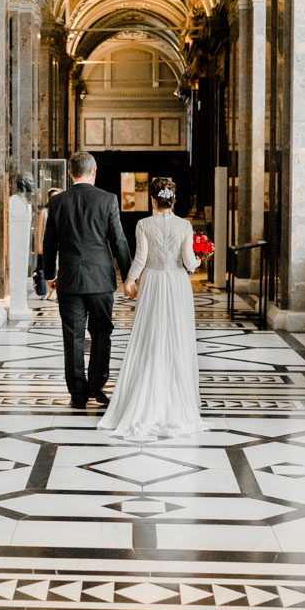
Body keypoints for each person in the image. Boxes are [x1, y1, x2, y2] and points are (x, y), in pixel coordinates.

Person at [98, 177, 209, 438]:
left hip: (153, 282)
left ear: (152, 199)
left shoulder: (143, 224)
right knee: (177, 339)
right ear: (174, 200)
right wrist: (202, 258)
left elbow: (140, 258)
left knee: (151, 338)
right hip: (177, 283)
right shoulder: (185, 225)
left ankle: (145, 398)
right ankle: (175, 399)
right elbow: (189, 263)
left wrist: (129, 281)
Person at [42, 153, 131, 409]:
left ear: (70, 173)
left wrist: (49, 275)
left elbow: (50, 244)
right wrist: (129, 277)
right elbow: (119, 241)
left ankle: (77, 394)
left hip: (69, 280)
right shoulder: (108, 200)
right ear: (94, 171)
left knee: (73, 337)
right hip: (101, 280)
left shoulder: (58, 202)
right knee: (102, 332)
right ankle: (97, 387)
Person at [35, 187, 63, 301]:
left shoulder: (63, 210)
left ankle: (54, 291)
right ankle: (48, 290)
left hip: (60, 244)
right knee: (47, 266)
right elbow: (39, 230)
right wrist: (39, 245)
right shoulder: (44, 211)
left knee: (57, 267)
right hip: (47, 244)